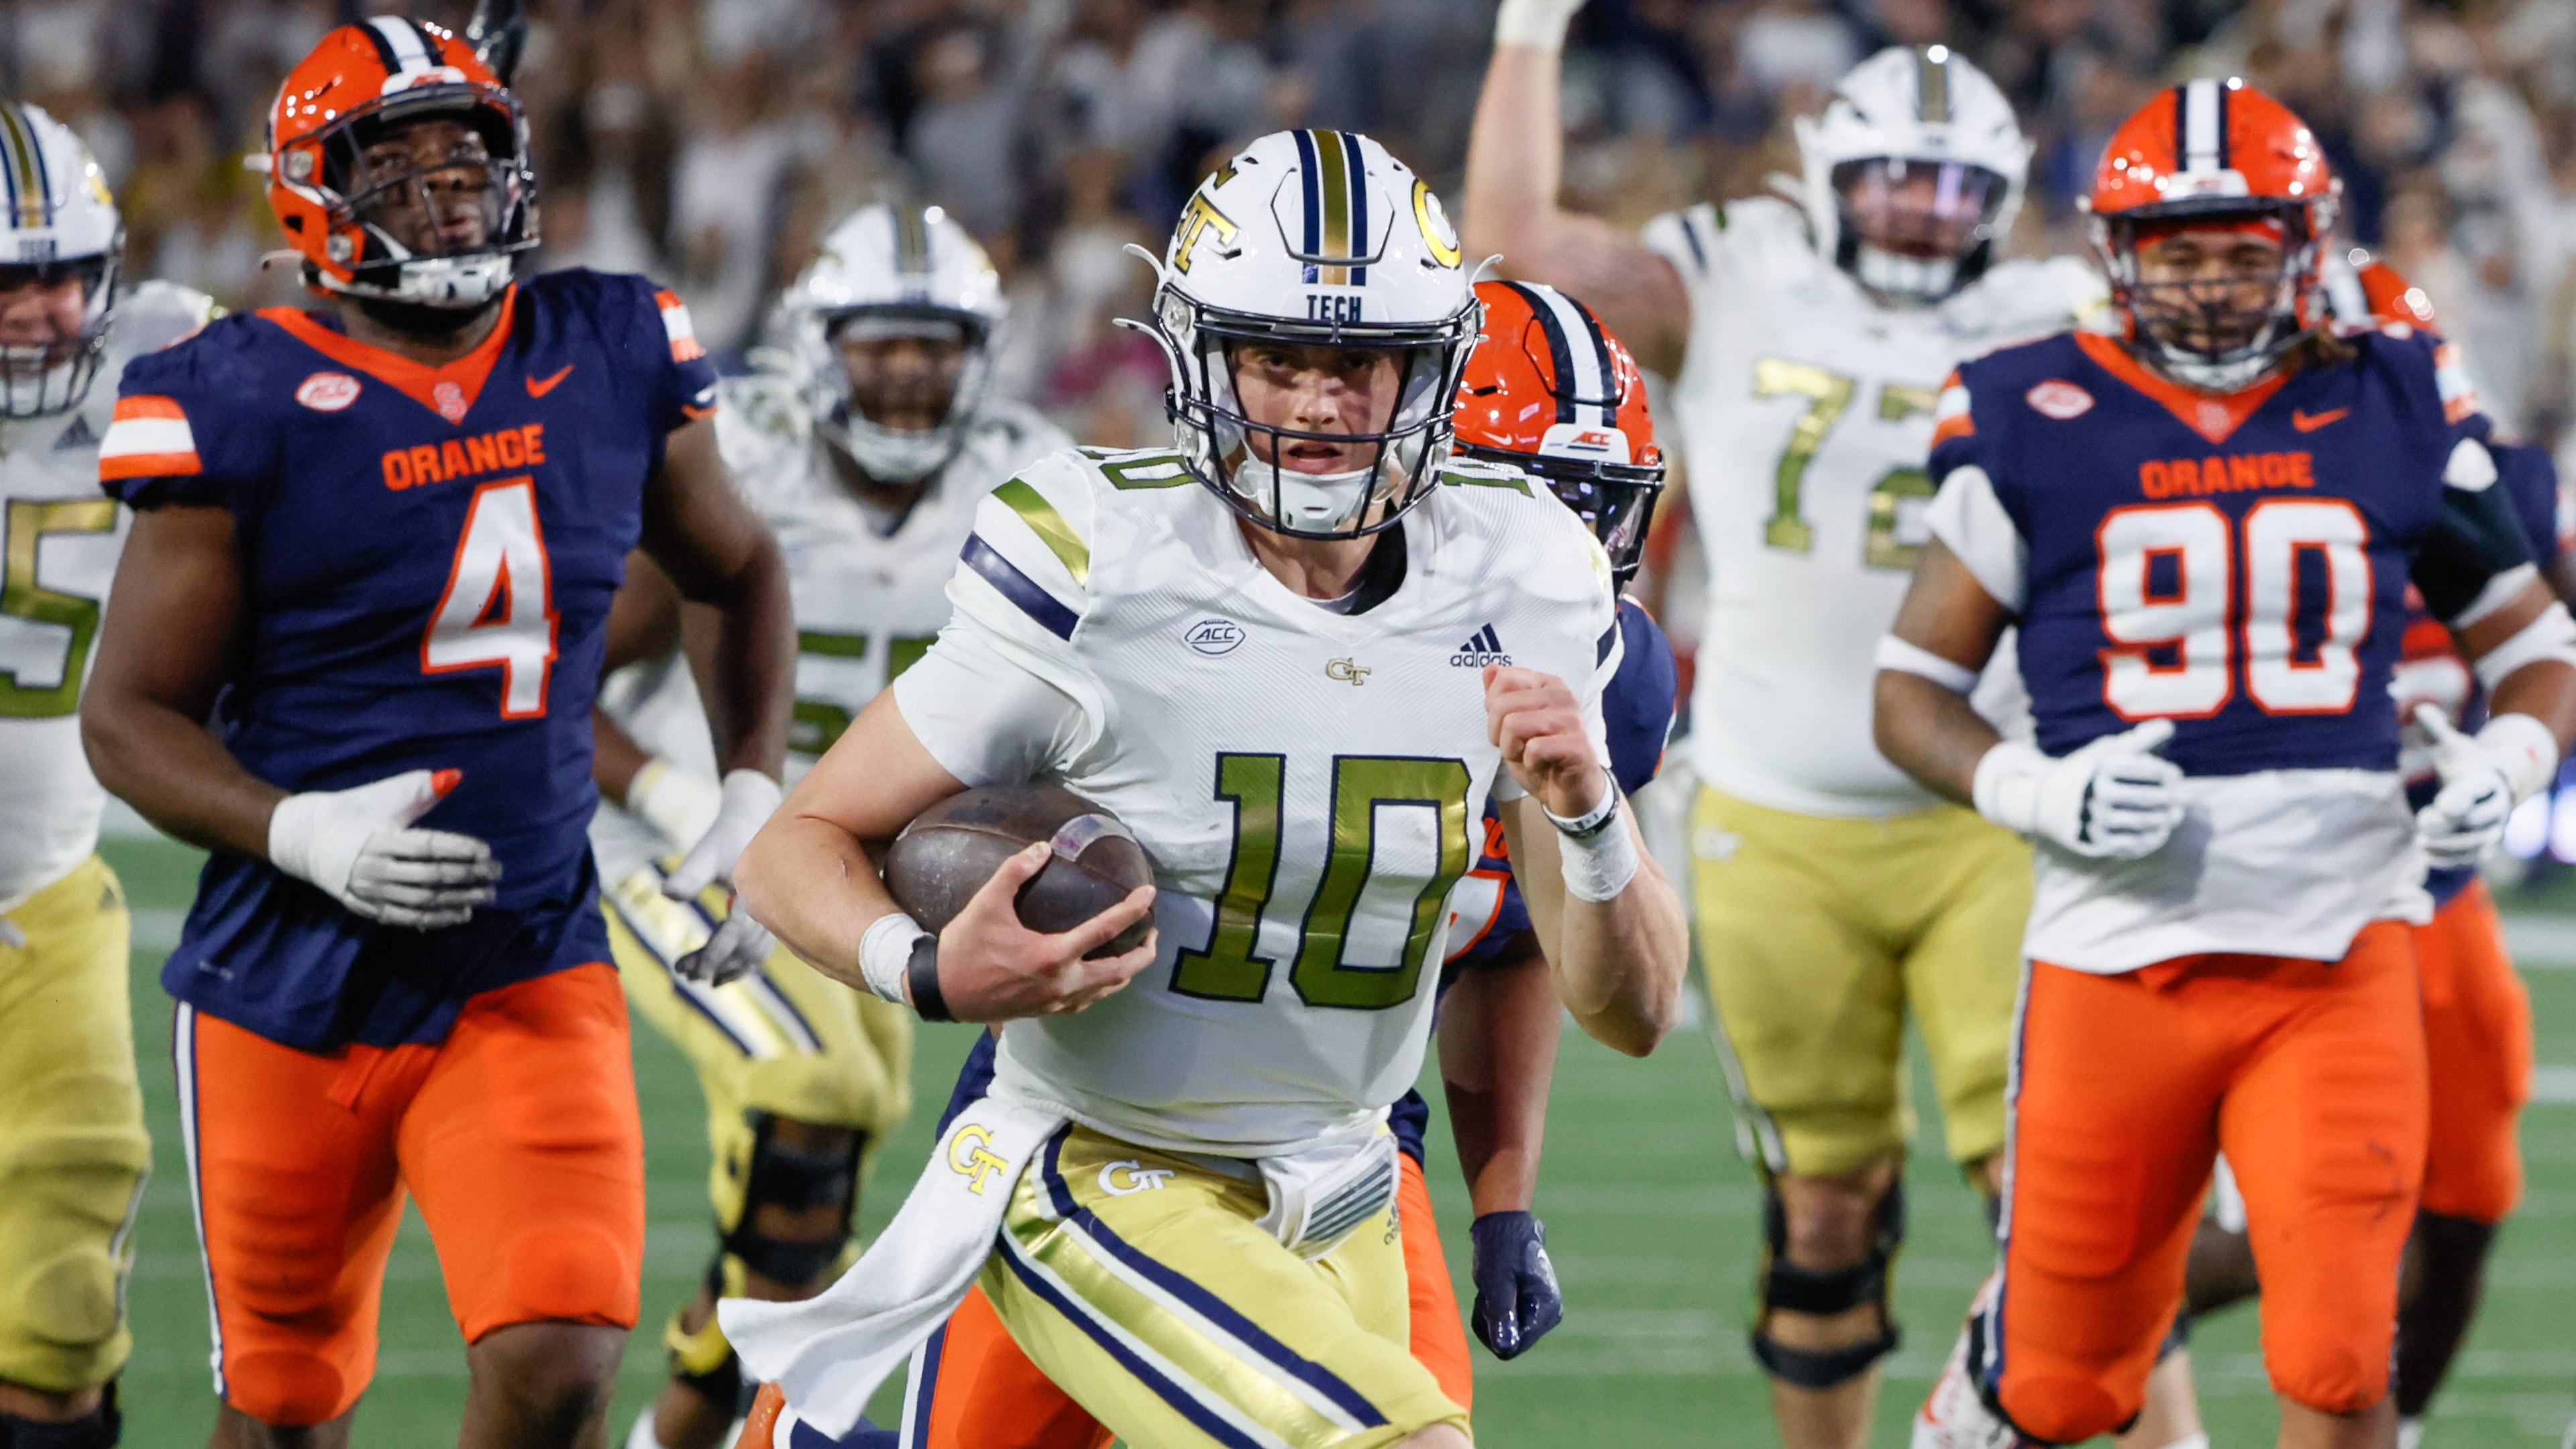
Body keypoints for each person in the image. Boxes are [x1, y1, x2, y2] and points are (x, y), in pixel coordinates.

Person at [716, 128, 1690, 1449]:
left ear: (1432, 370)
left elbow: (1631, 1011)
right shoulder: (1100, 564)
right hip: (1102, 1166)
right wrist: (928, 969)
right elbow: (796, 843)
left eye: (1359, 363)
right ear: (1196, 357)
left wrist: (1582, 816)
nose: (1318, 403)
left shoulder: (1526, 573)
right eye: (1275, 357)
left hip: (1344, 1176)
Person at [1461, 11, 2191, 1448]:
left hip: (1998, 810)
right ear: (1825, 174)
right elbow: (1517, 250)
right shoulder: (1744, 267)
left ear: (2003, 195)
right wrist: (1531, 31)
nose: (1920, 209)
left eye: (1953, 184)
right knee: (1824, 1203)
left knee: (2064, 1181)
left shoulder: (2061, 304)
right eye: (1893, 178)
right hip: (1775, 815)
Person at [75, 19, 796, 1448]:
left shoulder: (608, 343)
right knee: (285, 1412)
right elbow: (127, 720)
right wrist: (298, 825)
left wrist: (751, 790)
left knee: (564, 1357)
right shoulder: (238, 398)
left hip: (524, 955)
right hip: (288, 984)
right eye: (392, 166)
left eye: (465, 156)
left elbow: (739, 570)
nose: (446, 190)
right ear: (311, 193)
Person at [1878, 79, 2576, 1449]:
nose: (2208, 286)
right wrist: (2032, 786)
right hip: (2112, 951)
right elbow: (1911, 689)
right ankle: (1995, 1373)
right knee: (2068, 1391)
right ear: (2117, 255)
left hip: (2340, 943)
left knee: (2336, 1356)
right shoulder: (2032, 406)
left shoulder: (2391, 389)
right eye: (2178, 253)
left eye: (2242, 252)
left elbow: (2536, 639)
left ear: (2306, 247)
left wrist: (2511, 751)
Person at [588, 201, 1068, 1449]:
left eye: (937, 346)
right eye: (880, 345)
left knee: (805, 1209)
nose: (910, 372)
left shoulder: (1036, 485)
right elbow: (561, 683)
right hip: (697, 844)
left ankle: (679, 1433)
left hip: (899, 870)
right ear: (818, 349)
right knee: (819, 1086)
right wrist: (679, 796)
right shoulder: (744, 460)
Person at [2174, 252, 2562, 1449]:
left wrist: (2507, 764)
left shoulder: (2494, 482)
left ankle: (2393, 1429)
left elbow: (2543, 651)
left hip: (2433, 885)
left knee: (2467, 1201)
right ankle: (2043, 1325)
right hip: (2255, 892)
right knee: (2301, 1221)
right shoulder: (2192, 485)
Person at [0, 101, 213, 1449]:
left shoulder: (174, 361)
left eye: (58, 282)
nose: (37, 318)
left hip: (42, 895)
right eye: (2, 288)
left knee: (63, 1313)